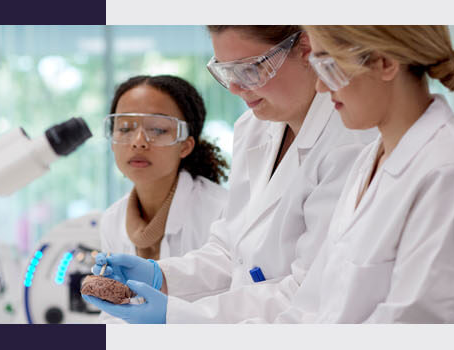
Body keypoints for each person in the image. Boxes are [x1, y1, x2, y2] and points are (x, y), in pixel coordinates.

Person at [93, 25, 454, 324]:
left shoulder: (448, 176)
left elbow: (419, 326)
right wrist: (167, 288)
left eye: (328, 66)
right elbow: (315, 305)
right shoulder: (375, 160)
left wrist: (177, 316)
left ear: (386, 63)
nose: (320, 85)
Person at [85, 26, 372, 323]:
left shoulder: (351, 141)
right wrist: (162, 276)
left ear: (306, 47)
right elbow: (229, 251)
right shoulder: (254, 127)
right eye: (226, 72)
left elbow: (307, 295)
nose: (235, 88)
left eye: (250, 68)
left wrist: (175, 316)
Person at [97, 75, 230, 265]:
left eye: (157, 130)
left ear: (185, 146)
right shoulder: (112, 220)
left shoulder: (221, 212)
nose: (138, 142)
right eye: (125, 129)